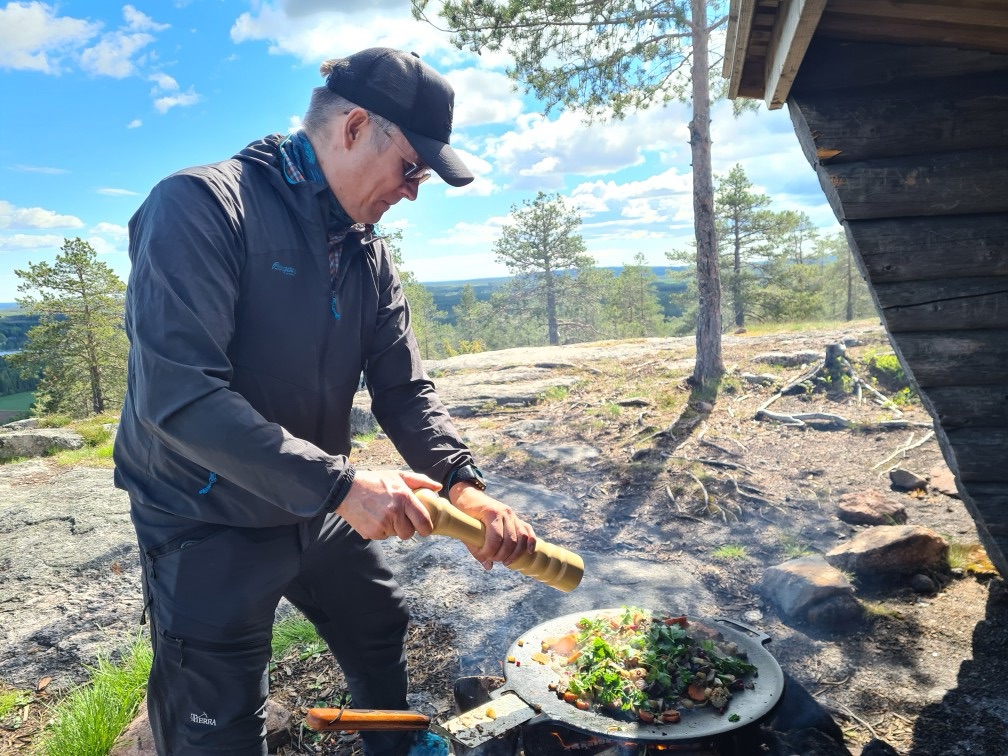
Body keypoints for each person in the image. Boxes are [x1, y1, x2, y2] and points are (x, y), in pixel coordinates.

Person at [113, 47, 537, 756]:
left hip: (315, 501)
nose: (413, 190)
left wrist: (465, 486)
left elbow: (403, 390)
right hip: (205, 516)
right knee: (216, 725)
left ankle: (395, 748)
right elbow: (179, 396)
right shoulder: (201, 207)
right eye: (411, 167)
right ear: (355, 127)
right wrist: (340, 485)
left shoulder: (366, 250)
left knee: (378, 624)